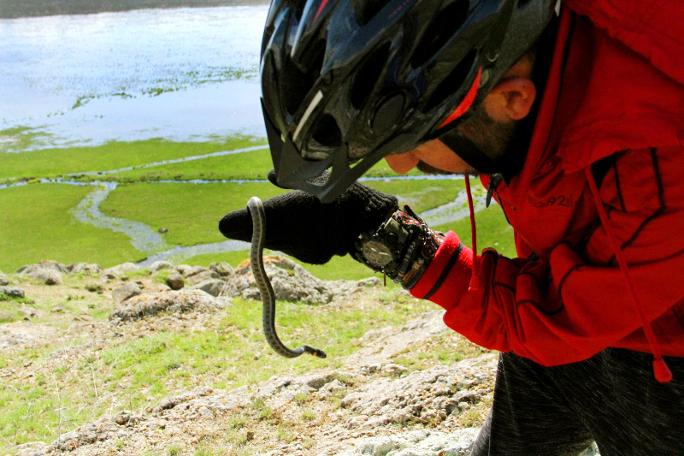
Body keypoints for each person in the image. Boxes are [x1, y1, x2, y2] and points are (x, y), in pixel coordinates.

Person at [219, 0, 684, 454]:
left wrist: (383, 234)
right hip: (565, 296)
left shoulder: (665, 165)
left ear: (512, 98)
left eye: (410, 138)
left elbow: (554, 316)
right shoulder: (517, 60)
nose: (399, 166)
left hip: (662, 358)